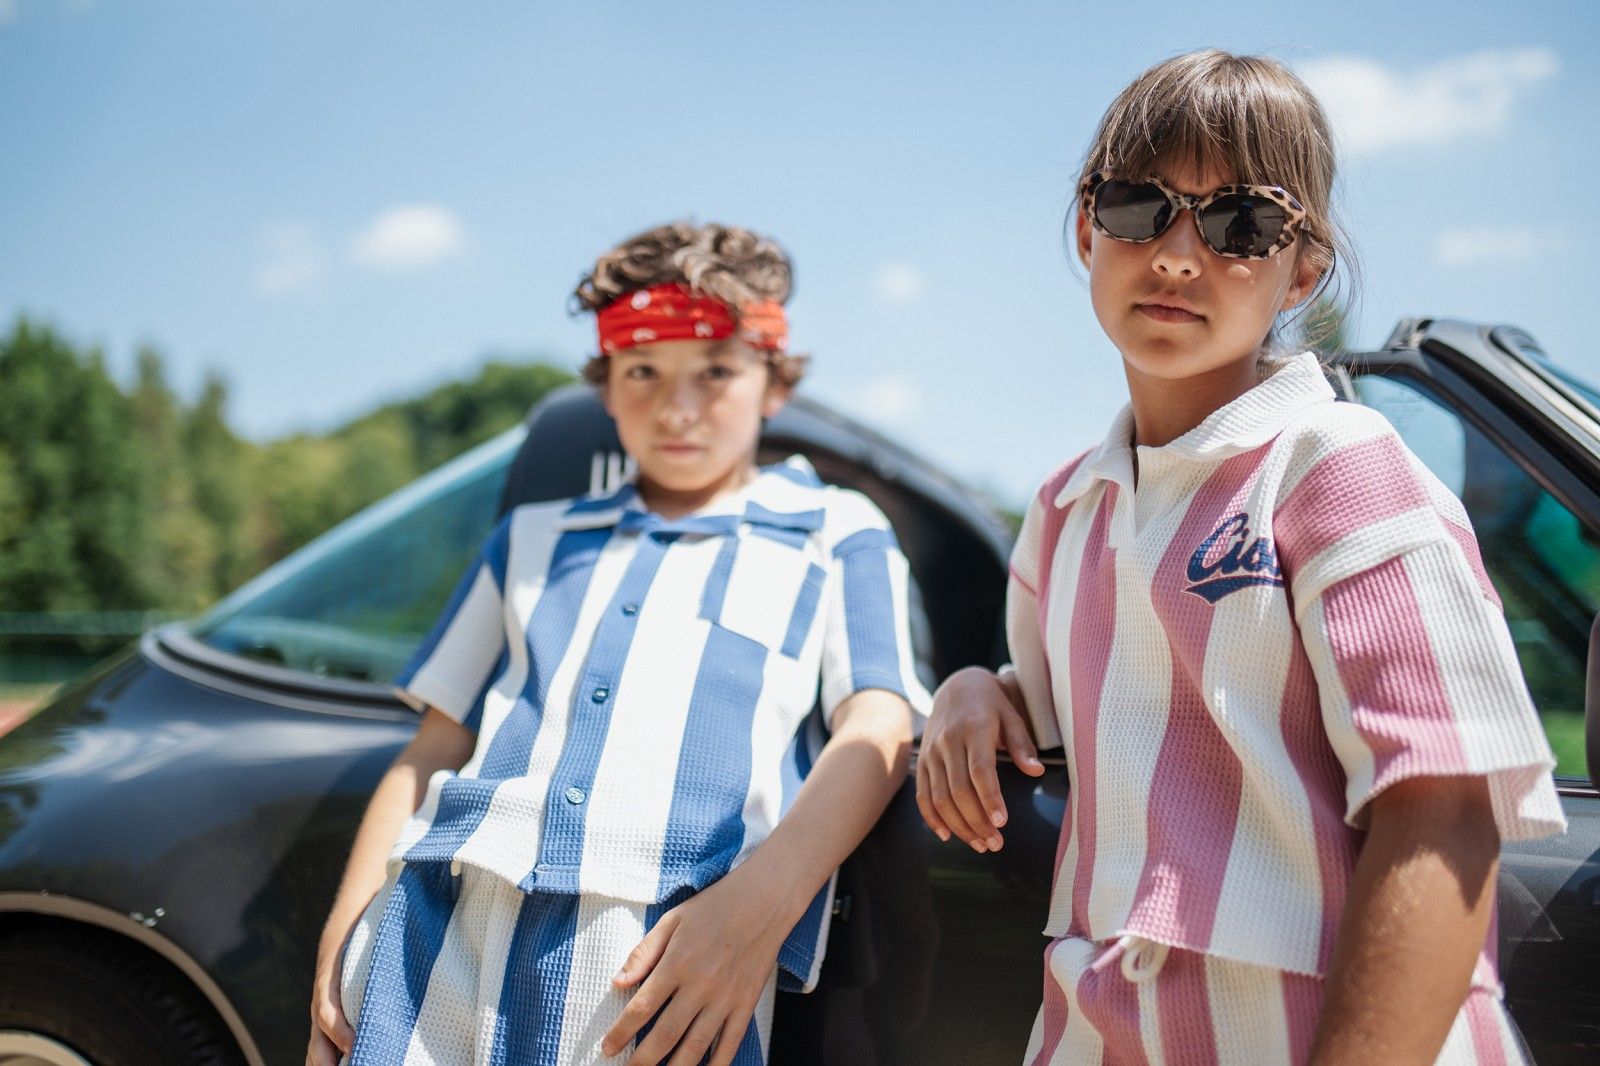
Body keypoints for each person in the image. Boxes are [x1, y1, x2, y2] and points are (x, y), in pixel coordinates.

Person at [914, 50, 1564, 1065]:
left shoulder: (1338, 468)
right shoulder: (1065, 508)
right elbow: (1071, 714)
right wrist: (974, 689)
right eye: (1139, 206)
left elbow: (1442, 811)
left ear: (1302, 270)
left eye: (1243, 223)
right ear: (1087, 228)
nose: (1179, 256)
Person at [307, 220, 930, 1066]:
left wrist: (757, 910)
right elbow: (433, 748)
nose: (677, 408)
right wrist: (344, 933)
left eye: (715, 371)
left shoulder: (837, 531)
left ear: (773, 381)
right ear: (605, 384)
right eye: (643, 371)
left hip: (672, 968)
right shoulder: (531, 539)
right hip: (430, 939)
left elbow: (880, 728)